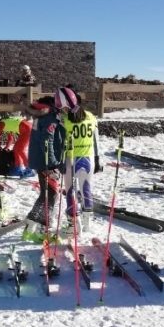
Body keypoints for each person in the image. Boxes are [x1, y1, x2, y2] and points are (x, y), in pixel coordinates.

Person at [21, 95, 66, 242]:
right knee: (51, 195)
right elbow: (47, 140)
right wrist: (52, 164)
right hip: (45, 162)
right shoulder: (49, 117)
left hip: (39, 159)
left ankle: (30, 226)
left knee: (46, 194)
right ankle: (41, 229)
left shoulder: (41, 115)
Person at [59, 86, 102, 233]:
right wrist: (98, 159)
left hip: (70, 158)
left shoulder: (64, 120)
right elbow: (96, 139)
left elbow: (59, 141)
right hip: (88, 157)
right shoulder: (91, 116)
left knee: (70, 190)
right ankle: (86, 224)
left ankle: (73, 224)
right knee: (86, 190)